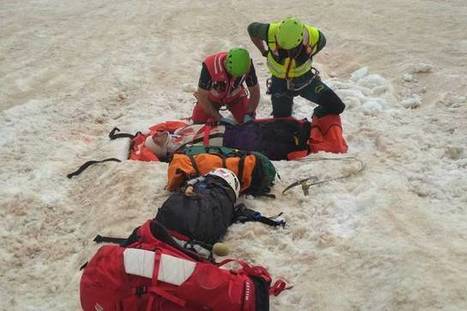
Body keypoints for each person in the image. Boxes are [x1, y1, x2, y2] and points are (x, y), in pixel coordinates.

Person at [248, 17, 345, 118]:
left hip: (304, 80)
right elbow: (251, 29)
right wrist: (263, 51)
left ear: (301, 41)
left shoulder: (315, 37)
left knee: (336, 106)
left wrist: (307, 55)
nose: (285, 52)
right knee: (281, 121)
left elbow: (320, 44)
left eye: (289, 50)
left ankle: (317, 117)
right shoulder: (269, 31)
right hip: (279, 82)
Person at [191, 48, 260, 124]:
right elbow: (202, 96)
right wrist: (219, 118)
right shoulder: (210, 65)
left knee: (247, 122)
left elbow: (255, 91)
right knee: (198, 121)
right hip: (211, 98)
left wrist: (249, 114)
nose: (235, 77)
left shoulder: (248, 65)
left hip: (235, 97)